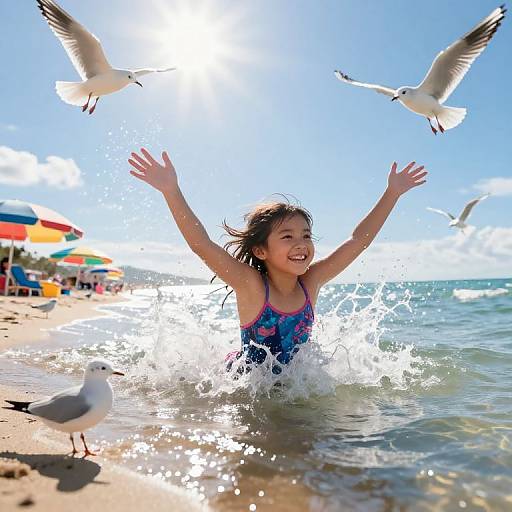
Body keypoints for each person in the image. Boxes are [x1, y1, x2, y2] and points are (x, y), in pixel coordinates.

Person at [128, 148, 427, 373]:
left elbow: (358, 242)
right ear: (261, 251)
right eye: (287, 237)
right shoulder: (252, 285)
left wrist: (392, 193)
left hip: (292, 381)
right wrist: (171, 190)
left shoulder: (311, 282)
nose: (301, 244)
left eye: (306, 235)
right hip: (246, 380)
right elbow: (201, 245)